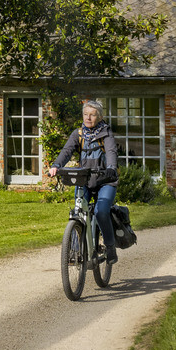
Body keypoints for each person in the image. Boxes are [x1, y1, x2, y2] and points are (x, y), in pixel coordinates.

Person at [47, 99, 120, 263]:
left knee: (101, 211)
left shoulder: (106, 133)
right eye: (86, 114)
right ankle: (75, 251)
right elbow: (67, 151)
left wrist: (111, 168)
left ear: (99, 117)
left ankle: (110, 247)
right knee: (78, 212)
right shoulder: (78, 134)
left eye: (92, 115)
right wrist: (56, 166)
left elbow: (111, 152)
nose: (88, 118)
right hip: (85, 180)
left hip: (105, 181)